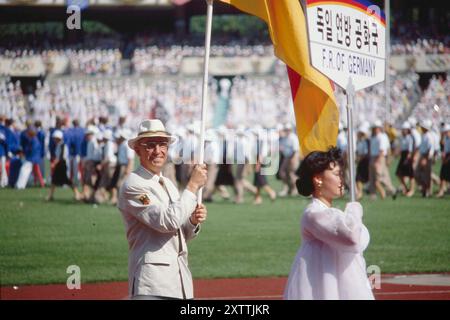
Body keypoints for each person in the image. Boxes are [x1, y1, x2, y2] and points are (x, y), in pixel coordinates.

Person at [118, 119, 208, 300]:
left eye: (162, 144)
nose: (158, 151)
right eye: (150, 145)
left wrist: (191, 221)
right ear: (137, 150)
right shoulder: (133, 185)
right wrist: (191, 186)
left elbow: (180, 233)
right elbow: (167, 222)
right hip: (152, 284)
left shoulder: (167, 183)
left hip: (178, 281)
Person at [284, 147, 374, 300]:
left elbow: (360, 240)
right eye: (336, 174)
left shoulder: (337, 215)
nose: (342, 179)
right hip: (325, 285)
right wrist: (354, 210)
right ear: (318, 179)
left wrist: (352, 216)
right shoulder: (314, 214)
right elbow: (351, 238)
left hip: (345, 284)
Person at [396, 122, 415, 196]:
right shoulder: (402, 137)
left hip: (407, 156)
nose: (403, 131)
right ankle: (406, 188)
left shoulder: (410, 137)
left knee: (410, 174)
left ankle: (412, 190)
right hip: (403, 155)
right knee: (399, 173)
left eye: (404, 129)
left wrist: (407, 158)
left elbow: (410, 150)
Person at [436, 124, 450, 198]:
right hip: (446, 157)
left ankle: (442, 191)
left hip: (448, 158)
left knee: (445, 176)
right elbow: (444, 149)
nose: (445, 133)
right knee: (443, 176)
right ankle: (441, 191)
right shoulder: (446, 139)